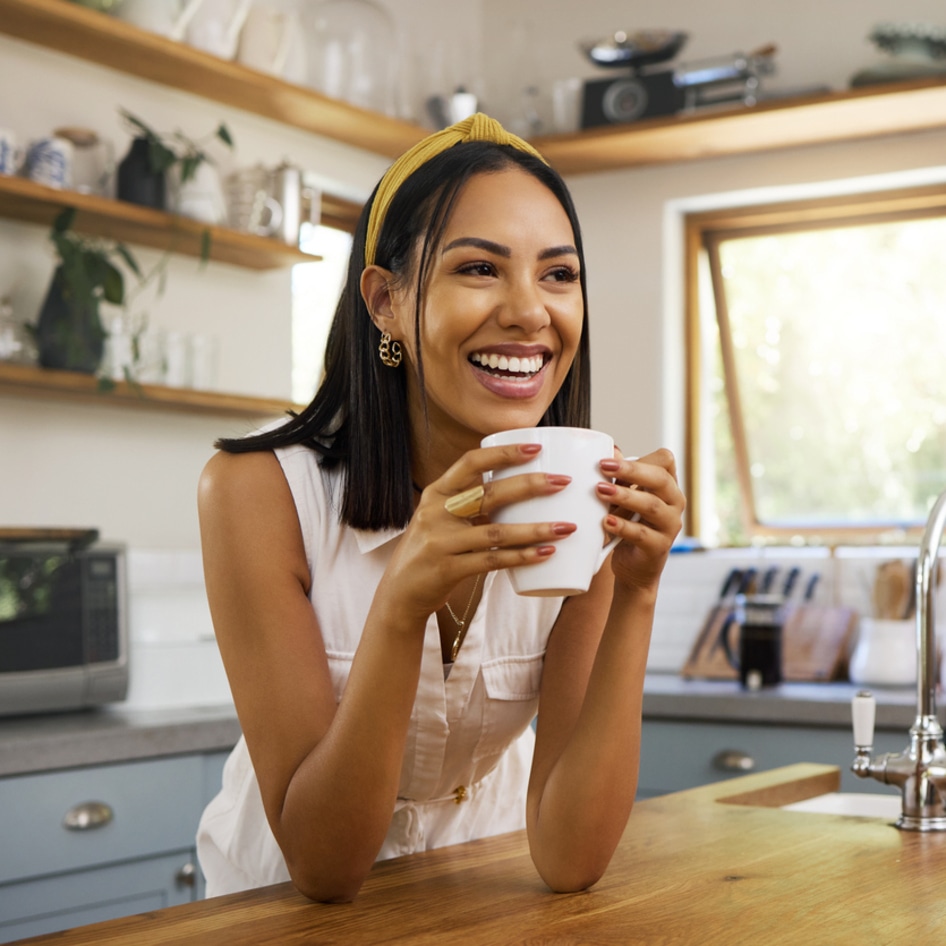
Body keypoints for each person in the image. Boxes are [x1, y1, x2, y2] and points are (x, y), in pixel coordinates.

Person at [195, 113, 685, 903]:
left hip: (476, 894)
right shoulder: (256, 492)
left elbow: (570, 859)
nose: (531, 312)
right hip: (276, 910)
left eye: (558, 275)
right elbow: (324, 867)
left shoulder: (581, 498)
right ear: (385, 301)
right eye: (481, 269)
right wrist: (401, 606)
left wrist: (636, 590)